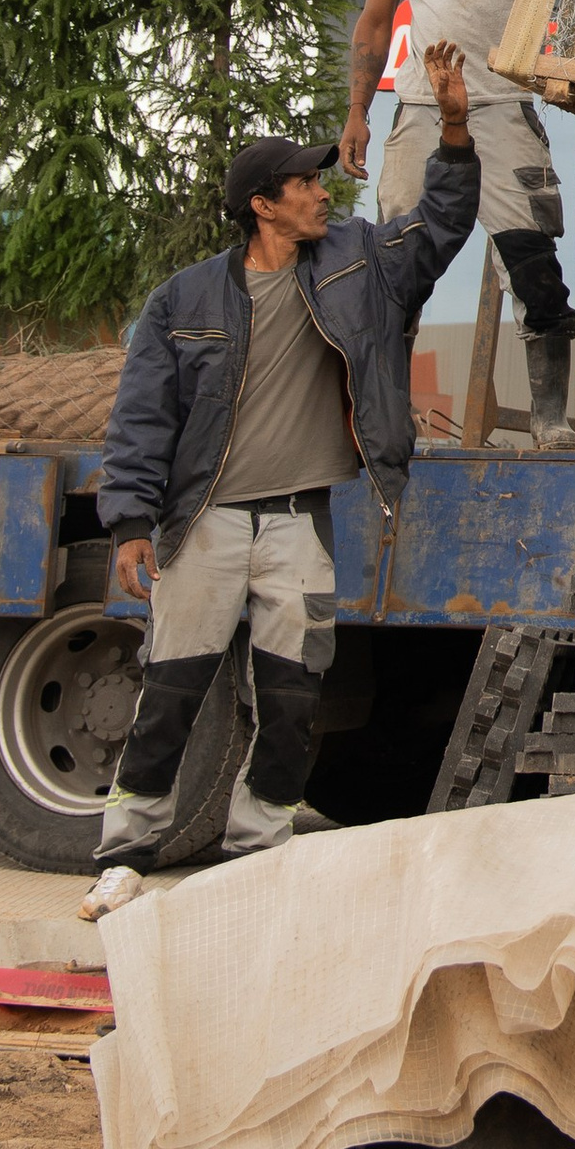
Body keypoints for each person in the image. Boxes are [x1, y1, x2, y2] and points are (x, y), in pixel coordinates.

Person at [80, 45, 480, 918]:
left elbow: (441, 228)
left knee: (293, 702)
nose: (321, 186)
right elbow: (141, 420)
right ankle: (125, 854)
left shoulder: (358, 265)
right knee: (170, 693)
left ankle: (257, 857)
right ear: (264, 206)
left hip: (298, 525)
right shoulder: (181, 302)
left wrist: (454, 128)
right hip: (204, 526)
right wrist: (130, 522)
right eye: (304, 181)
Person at [342, 0, 575, 437]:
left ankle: (550, 421)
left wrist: (562, 59)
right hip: (419, 111)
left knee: (533, 266)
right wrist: (358, 112)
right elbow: (375, 21)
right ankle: (386, 419)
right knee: (394, 267)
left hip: (502, 105)